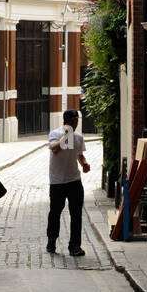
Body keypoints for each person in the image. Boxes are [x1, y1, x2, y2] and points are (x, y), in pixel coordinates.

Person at [46, 109, 90, 257]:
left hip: (74, 180)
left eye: (77, 121)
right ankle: (51, 240)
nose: (75, 124)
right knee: (55, 213)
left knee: (76, 214)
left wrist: (84, 163)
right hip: (57, 181)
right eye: (73, 122)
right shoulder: (55, 134)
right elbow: (54, 149)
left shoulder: (78, 137)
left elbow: (79, 154)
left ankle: (75, 245)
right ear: (66, 122)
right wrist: (66, 136)